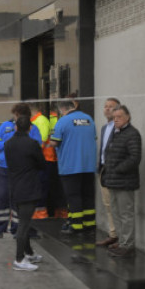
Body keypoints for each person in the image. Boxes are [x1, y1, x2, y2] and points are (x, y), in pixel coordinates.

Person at [0, 103, 42, 238]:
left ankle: (17, 229)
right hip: (3, 168)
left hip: (21, 170)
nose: (15, 117)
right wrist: (8, 145)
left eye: (16, 115)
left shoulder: (33, 129)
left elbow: (37, 146)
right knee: (2, 198)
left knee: (18, 200)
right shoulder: (5, 126)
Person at [49, 95, 97, 235]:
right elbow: (92, 138)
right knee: (88, 195)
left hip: (70, 166)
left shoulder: (63, 121)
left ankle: (76, 226)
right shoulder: (89, 119)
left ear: (62, 109)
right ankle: (89, 225)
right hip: (88, 165)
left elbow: (55, 141)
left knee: (73, 196)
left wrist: (46, 142)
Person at [5, 116, 45, 271]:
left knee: (24, 221)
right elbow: (41, 164)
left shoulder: (8, 144)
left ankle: (28, 253)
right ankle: (19, 259)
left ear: (16, 127)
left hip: (15, 187)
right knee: (24, 224)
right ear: (30, 128)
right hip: (29, 188)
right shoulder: (32, 144)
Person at [102, 105, 141, 258]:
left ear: (128, 117)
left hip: (125, 182)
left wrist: (118, 169)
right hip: (112, 180)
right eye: (114, 117)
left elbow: (134, 157)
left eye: (119, 117)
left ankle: (128, 244)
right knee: (116, 212)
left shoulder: (132, 134)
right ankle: (121, 240)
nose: (116, 120)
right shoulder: (115, 133)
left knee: (126, 214)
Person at [96, 97, 121, 247]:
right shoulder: (105, 127)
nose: (106, 109)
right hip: (104, 170)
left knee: (117, 205)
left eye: (110, 107)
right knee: (107, 204)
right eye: (105, 106)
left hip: (114, 171)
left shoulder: (119, 128)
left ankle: (120, 237)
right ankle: (113, 234)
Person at [29, 101, 51, 219]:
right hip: (39, 160)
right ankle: (37, 214)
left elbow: (40, 143)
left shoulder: (41, 121)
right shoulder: (35, 121)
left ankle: (41, 215)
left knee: (41, 188)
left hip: (44, 160)